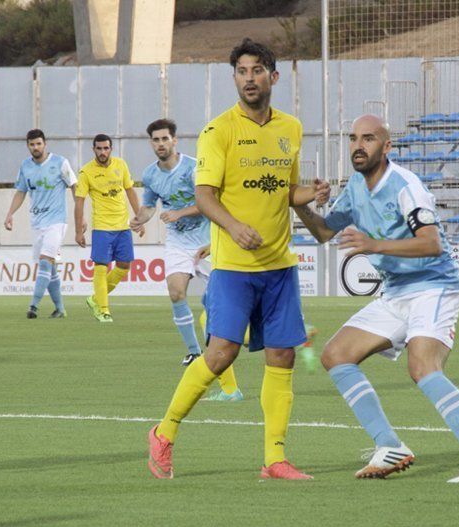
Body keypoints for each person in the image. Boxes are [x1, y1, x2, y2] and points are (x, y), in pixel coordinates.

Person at [292, 114, 459, 483]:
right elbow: (323, 232)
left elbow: (431, 243)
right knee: (335, 355)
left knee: (422, 366)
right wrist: (301, 203)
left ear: (387, 146)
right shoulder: (356, 190)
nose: (358, 146)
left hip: (434, 286)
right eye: (353, 139)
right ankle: (389, 445)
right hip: (395, 291)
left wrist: (373, 244)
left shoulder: (406, 185)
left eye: (368, 139)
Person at [147, 38, 329, 480]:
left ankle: (274, 459)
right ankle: (164, 432)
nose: (249, 78)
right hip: (233, 266)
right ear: (235, 79)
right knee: (221, 353)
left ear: (273, 76)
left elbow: (284, 190)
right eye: (242, 71)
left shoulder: (291, 128)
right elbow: (204, 196)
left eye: (257, 70)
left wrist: (311, 194)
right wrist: (233, 227)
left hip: (280, 265)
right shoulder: (218, 131)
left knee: (283, 356)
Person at [130, 118, 243, 401]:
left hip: (207, 241)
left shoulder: (193, 167)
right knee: (176, 291)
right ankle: (194, 353)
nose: (160, 144)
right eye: (155, 140)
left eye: (165, 139)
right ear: (151, 143)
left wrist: (179, 213)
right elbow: (148, 207)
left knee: (219, 310)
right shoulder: (151, 175)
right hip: (178, 243)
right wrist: (138, 220)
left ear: (175, 140)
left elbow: (209, 202)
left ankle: (231, 381)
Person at [4, 129, 78, 319]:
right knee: (50, 267)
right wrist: (10, 213)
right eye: (32, 144)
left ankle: (33, 306)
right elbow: (21, 192)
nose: (35, 147)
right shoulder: (25, 166)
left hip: (57, 222)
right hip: (37, 223)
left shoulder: (60, 163)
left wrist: (80, 215)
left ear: (45, 144)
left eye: (38, 143)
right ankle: (60, 309)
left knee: (45, 262)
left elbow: (75, 186)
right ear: (28, 146)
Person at [74, 134, 142, 323]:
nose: (102, 152)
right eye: (99, 148)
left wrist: (140, 219)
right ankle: (103, 310)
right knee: (101, 266)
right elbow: (79, 202)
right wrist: (78, 230)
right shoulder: (86, 172)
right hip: (102, 227)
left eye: (106, 148)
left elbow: (130, 191)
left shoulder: (121, 165)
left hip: (123, 226)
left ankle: (95, 298)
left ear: (111, 149)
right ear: (93, 149)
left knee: (124, 265)